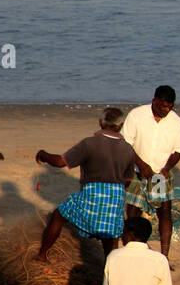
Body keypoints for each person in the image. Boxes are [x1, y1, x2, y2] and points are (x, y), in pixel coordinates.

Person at [34, 108, 153, 261]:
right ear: (121, 126)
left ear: (100, 123)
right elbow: (127, 181)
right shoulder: (128, 149)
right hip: (116, 197)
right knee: (110, 237)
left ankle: (42, 255)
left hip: (92, 193)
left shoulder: (89, 143)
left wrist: (43, 154)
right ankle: (109, 268)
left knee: (58, 215)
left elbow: (59, 162)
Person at [121, 85, 180, 259]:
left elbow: (178, 151)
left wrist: (165, 169)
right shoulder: (137, 115)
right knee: (133, 212)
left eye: (170, 107)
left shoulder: (177, 123)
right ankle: (131, 253)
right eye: (162, 106)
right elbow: (126, 144)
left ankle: (164, 256)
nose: (166, 110)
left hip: (161, 176)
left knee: (164, 212)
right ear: (154, 101)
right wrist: (141, 165)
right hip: (136, 171)